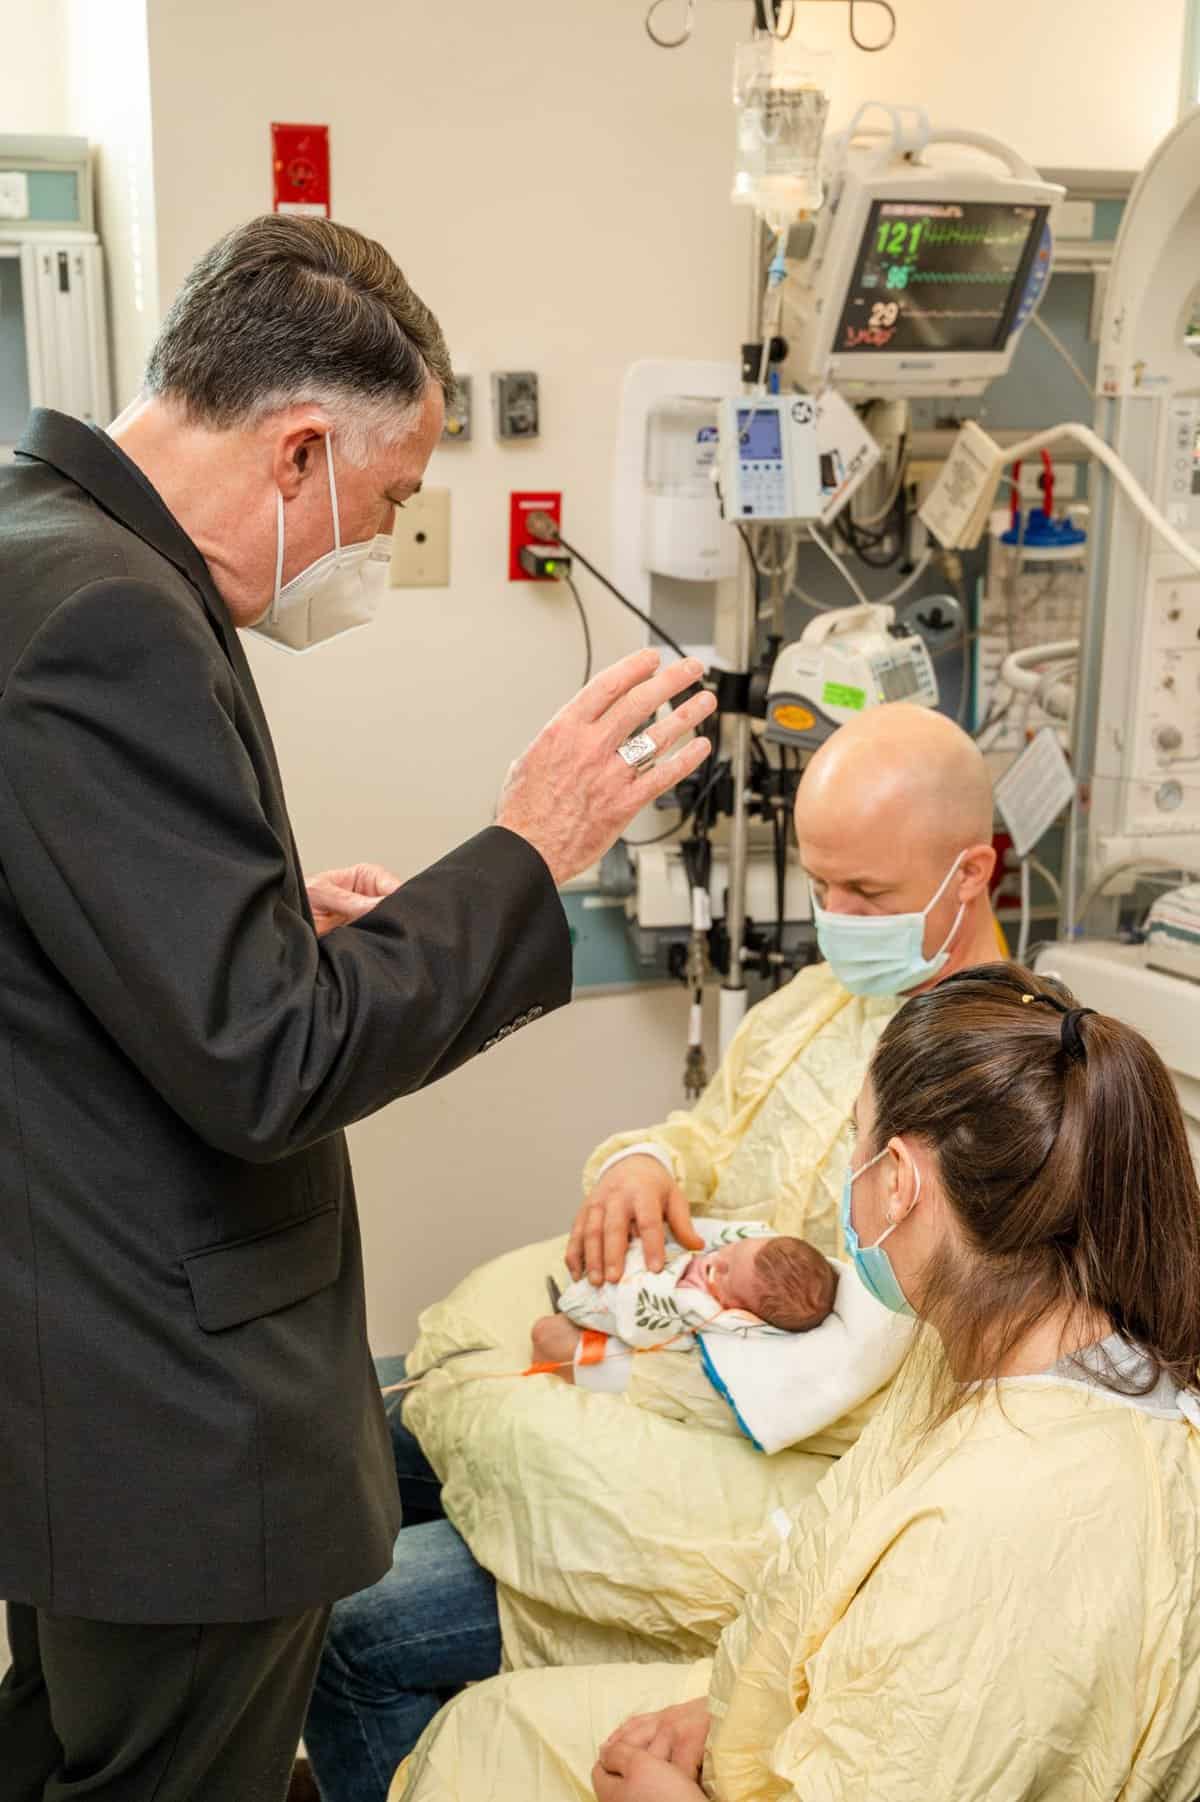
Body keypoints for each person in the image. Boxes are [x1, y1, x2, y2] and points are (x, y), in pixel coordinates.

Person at [0, 214, 717, 1802]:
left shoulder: (32, 543)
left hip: (84, 1397)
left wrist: (255, 928)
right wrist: (529, 850)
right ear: (302, 448)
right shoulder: (109, 618)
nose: (378, 545)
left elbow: (68, 949)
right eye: (387, 504)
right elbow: (271, 1061)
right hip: (173, 1420)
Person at [303, 703, 1005, 1802]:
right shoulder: (822, 1003)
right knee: (370, 1434)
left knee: (350, 1634)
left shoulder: (1003, 1085)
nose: (835, 919)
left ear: (974, 869)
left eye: (866, 894)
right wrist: (639, 1166)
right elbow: (706, 1141)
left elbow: (902, 1377)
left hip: (784, 1472)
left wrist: (650, 1368)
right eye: (819, 885)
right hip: (674, 1361)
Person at [393, 965, 1200, 1802]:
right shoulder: (998, 1348)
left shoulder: (1004, 1529)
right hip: (774, 1725)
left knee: (448, 1724)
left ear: (898, 1179)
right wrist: (723, 1709)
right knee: (484, 1726)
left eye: (853, 1138)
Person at [538, 1223, 838, 1383]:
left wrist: (661, 1281)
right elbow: (711, 1239)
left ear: (740, 1311)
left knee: (555, 1329)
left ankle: (578, 1309)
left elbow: (652, 1317)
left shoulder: (703, 1309)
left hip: (629, 1303)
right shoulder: (747, 1255)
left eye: (727, 1274)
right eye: (735, 1252)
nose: (719, 1260)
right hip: (652, 1263)